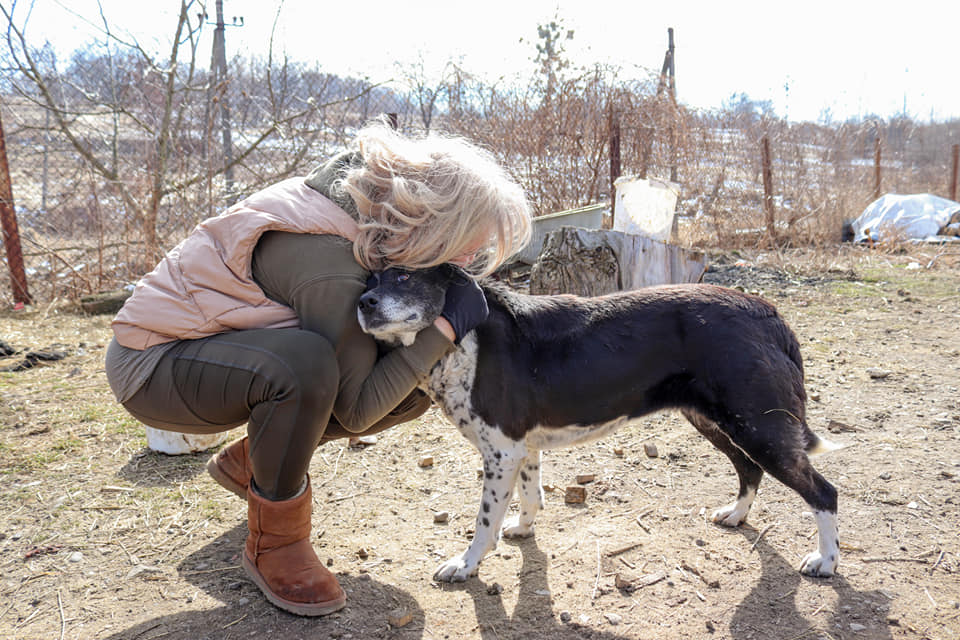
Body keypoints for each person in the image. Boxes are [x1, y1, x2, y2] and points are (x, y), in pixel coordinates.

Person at [105, 120, 532, 616]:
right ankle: (276, 546)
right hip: (154, 366)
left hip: (222, 352)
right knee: (305, 365)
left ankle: (254, 464)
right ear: (432, 222)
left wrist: (428, 343)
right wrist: (444, 331)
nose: (468, 259)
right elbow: (355, 410)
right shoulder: (327, 254)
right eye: (466, 245)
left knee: (413, 383)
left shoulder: (369, 219)